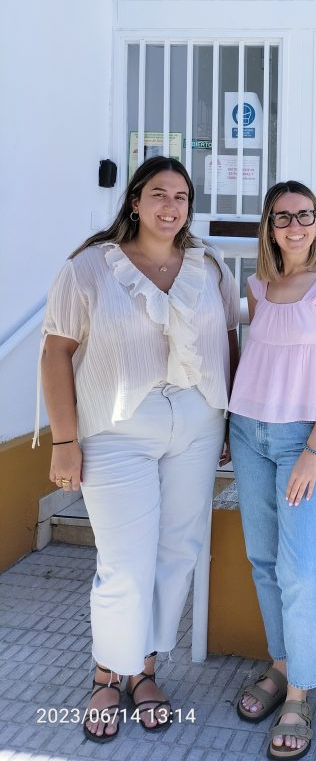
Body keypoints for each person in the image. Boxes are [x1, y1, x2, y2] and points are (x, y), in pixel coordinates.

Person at [39, 156, 240, 743]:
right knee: (124, 562)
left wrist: (226, 424)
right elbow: (55, 353)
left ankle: (146, 668)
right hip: (116, 427)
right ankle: (108, 673)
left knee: (177, 551)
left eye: (181, 196)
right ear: (134, 201)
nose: (170, 206)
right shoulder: (89, 269)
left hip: (198, 423)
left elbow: (227, 341)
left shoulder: (210, 267)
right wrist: (65, 440)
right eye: (158, 194)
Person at [228, 180, 316, 761]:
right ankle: (280, 665)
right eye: (283, 217)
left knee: (300, 567)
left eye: (305, 216)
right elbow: (255, 356)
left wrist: (313, 450)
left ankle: (301, 694)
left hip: (304, 440)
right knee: (262, 559)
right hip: (248, 431)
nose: (296, 226)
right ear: (269, 226)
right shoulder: (259, 286)